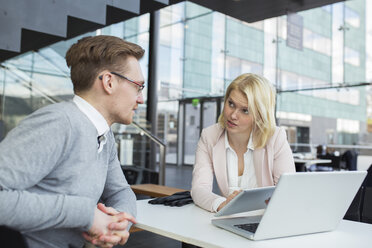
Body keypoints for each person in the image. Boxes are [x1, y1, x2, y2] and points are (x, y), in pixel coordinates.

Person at [0, 35, 145, 248]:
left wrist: (120, 222)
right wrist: (87, 215)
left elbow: (120, 191)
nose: (141, 98)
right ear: (109, 82)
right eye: (138, 86)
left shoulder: (104, 134)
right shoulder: (58, 123)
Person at [191, 73, 295, 212]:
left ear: (260, 115)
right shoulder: (209, 136)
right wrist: (221, 204)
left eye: (245, 111)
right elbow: (199, 188)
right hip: (228, 218)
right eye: (231, 104)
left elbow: (287, 192)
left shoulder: (276, 138)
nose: (233, 115)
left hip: (267, 219)